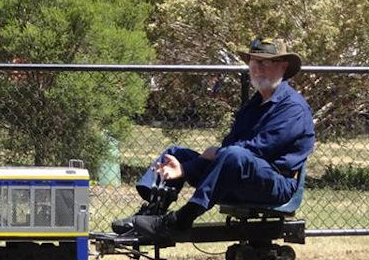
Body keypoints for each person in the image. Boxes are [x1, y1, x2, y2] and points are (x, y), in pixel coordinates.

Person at [114, 36, 315, 240]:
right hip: (237, 174)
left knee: (233, 155)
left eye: (265, 62)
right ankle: (151, 215)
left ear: (283, 66)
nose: (258, 68)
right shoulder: (253, 105)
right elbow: (229, 148)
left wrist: (191, 168)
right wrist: (187, 167)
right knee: (175, 153)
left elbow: (258, 149)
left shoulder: (292, 108)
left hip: (274, 185)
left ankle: (180, 220)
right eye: (255, 62)